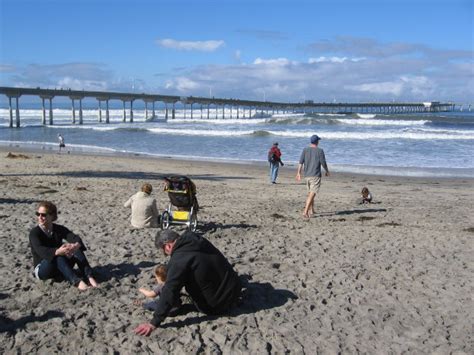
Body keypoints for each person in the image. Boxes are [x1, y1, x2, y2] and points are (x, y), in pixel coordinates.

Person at [134, 230, 242, 336]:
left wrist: (154, 322)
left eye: (163, 250)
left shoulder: (178, 259)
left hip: (216, 306)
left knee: (175, 286)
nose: (165, 254)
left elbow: (170, 290)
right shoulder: (197, 240)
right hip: (235, 291)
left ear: (168, 246)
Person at [29, 201, 98, 291]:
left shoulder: (58, 229)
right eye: (38, 214)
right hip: (42, 269)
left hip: (60, 267)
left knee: (75, 249)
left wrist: (75, 245)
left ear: (52, 216)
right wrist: (58, 251)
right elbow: (40, 250)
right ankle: (78, 283)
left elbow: (74, 237)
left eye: (43, 215)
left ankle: (89, 277)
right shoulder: (34, 233)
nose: (40, 217)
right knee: (57, 256)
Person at [296, 134, 330, 219]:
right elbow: (323, 162)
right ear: (317, 142)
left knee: (310, 193)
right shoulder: (320, 151)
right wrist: (327, 171)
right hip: (315, 175)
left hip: (307, 175)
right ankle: (305, 212)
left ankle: (312, 210)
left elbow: (300, 162)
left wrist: (298, 173)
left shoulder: (305, 150)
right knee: (312, 194)